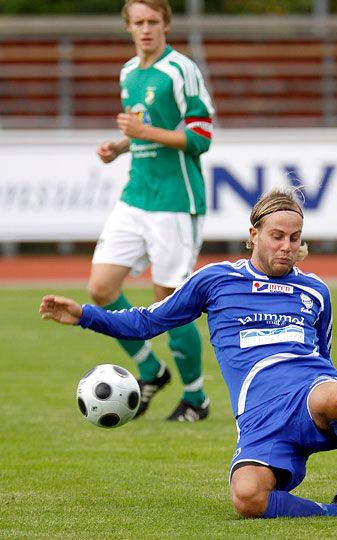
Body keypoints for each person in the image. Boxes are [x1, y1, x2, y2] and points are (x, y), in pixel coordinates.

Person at [40, 189, 337, 518]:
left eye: (295, 238)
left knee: (335, 395)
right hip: (259, 419)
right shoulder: (216, 280)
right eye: (277, 236)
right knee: (248, 499)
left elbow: (325, 363)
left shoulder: (315, 290)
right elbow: (148, 322)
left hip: (312, 397)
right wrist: (85, 315)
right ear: (253, 235)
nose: (287, 246)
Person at [90, 0, 216, 421]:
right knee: (101, 290)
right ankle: (149, 368)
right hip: (135, 194)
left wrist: (142, 132)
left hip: (176, 201)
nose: (146, 29)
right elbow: (143, 128)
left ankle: (196, 398)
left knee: (170, 305)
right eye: (138, 22)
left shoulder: (180, 70)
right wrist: (121, 146)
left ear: (165, 24)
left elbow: (200, 136)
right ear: (128, 27)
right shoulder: (128, 72)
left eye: (153, 22)